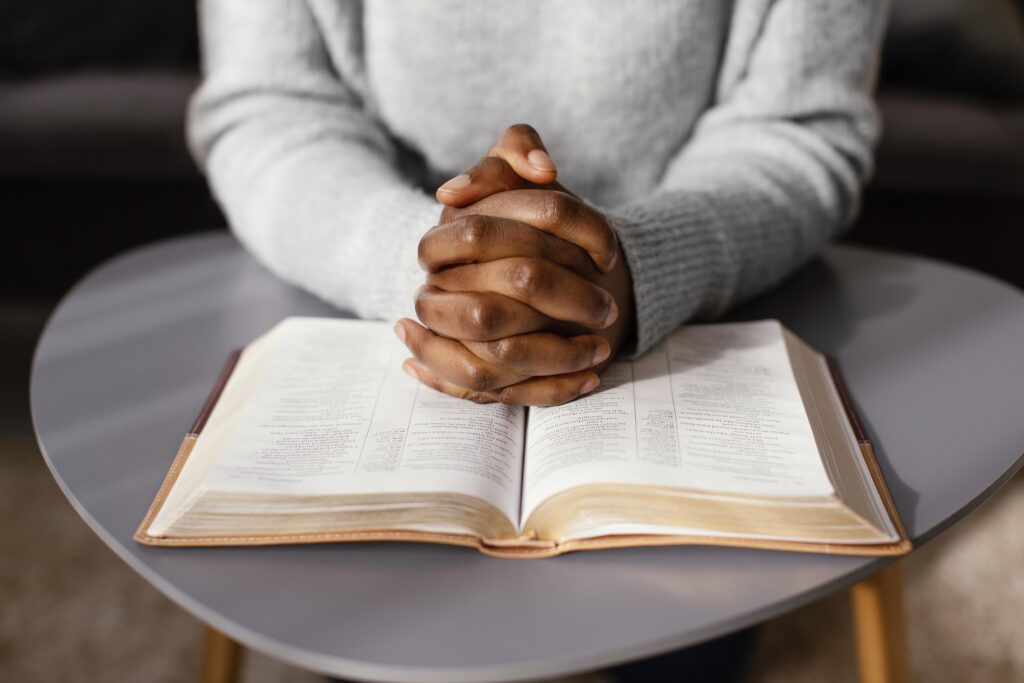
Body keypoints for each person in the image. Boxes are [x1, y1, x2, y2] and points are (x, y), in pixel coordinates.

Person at [188, 0, 888, 409]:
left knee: (684, 628)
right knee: (377, 638)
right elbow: (269, 105)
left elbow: (803, 125)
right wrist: (433, 264)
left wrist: (632, 270)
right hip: (379, 321)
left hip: (680, 338)